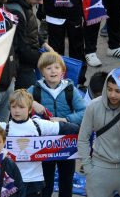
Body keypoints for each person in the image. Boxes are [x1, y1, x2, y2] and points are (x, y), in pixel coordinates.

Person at [0, 90, 79, 197]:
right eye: (13, 107)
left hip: (34, 181)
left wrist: (82, 131)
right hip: (11, 181)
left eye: (21, 107)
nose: (17, 111)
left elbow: (68, 128)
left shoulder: (38, 125)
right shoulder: (3, 127)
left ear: (30, 109)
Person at [27, 52, 87, 197]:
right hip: (45, 142)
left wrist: (65, 119)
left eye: (56, 67)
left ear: (62, 71)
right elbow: (17, 97)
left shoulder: (70, 89)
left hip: (67, 142)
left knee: (66, 180)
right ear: (41, 72)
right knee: (45, 181)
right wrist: (32, 102)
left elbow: (85, 111)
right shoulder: (35, 89)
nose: (53, 71)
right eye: (48, 68)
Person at [78, 75, 120, 196]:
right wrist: (88, 167)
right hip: (99, 168)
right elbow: (83, 138)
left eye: (118, 91)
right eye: (109, 89)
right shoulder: (93, 106)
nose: (112, 95)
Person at [5, 0, 50, 89]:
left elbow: (29, 30)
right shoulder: (16, 11)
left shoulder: (24, 4)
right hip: (22, 69)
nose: (41, 2)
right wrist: (44, 59)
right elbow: (21, 47)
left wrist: (43, 43)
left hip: (27, 65)